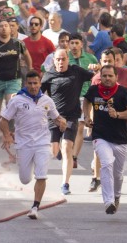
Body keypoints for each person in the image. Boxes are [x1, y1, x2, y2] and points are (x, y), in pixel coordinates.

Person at [0, 71, 66, 220]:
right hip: (23, 144)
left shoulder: (47, 100)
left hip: (42, 143)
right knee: (25, 179)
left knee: (41, 175)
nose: (33, 86)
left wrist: (61, 122)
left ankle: (35, 206)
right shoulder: (17, 100)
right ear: (25, 84)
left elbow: (56, 117)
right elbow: (3, 119)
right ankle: (27, 170)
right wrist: (7, 135)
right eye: (30, 83)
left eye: (35, 83)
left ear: (40, 84)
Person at [83, 65, 127, 214]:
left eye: (110, 76)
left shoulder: (123, 92)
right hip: (100, 136)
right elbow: (86, 101)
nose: (107, 79)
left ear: (116, 77)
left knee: (118, 174)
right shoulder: (94, 90)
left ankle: (117, 195)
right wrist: (87, 117)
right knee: (106, 163)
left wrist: (118, 115)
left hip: (120, 139)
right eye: (104, 76)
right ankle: (108, 202)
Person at [41, 49, 95, 195]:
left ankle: (65, 183)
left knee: (66, 148)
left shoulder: (76, 71)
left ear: (67, 60)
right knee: (55, 151)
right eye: (58, 59)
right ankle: (60, 154)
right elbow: (38, 94)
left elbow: (95, 78)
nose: (60, 62)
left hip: (71, 116)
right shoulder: (49, 75)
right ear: (54, 61)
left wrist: (98, 68)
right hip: (54, 117)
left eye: (63, 59)